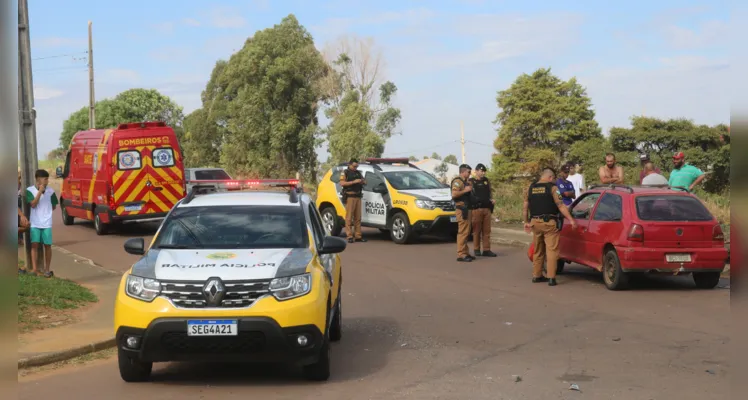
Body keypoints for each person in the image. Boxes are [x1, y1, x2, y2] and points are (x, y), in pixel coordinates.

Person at [522, 168, 577, 286]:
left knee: (538, 250)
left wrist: (526, 221)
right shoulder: (553, 188)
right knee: (551, 251)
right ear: (550, 178)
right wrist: (571, 219)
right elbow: (561, 206)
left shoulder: (530, 188)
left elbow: (525, 207)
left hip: (535, 223)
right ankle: (551, 277)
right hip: (549, 224)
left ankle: (536, 275)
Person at [26, 169, 58, 277]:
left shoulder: (51, 191)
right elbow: (33, 204)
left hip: (47, 223)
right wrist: (40, 192)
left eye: (47, 179)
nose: (47, 181)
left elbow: (54, 206)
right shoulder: (30, 190)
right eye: (45, 179)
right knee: (34, 245)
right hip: (35, 223)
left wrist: (46, 212)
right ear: (38, 180)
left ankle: (47, 270)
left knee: (47, 245)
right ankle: (34, 269)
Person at [469, 163, 496, 257]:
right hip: (477, 209)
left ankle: (486, 249)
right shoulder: (471, 181)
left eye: (484, 171)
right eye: (481, 171)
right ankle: (476, 249)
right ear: (476, 171)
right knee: (477, 230)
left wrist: (492, 200)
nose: (483, 173)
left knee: (487, 231)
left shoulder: (486, 181)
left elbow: (489, 193)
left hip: (487, 208)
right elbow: (470, 195)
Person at [339, 159, 367, 243]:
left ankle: (358, 236)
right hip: (350, 196)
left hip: (358, 196)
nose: (355, 168)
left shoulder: (358, 173)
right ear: (350, 165)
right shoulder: (345, 172)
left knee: (358, 217)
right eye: (354, 166)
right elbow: (342, 183)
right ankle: (349, 236)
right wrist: (353, 182)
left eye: (357, 166)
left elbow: (365, 181)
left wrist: (362, 181)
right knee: (349, 217)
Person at [451, 164, 474, 262]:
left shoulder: (465, 182)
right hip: (461, 209)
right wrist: (465, 190)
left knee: (467, 232)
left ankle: (466, 252)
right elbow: (454, 194)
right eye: (468, 172)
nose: (469, 174)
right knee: (463, 232)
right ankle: (461, 254)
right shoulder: (457, 181)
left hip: (467, 208)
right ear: (463, 172)